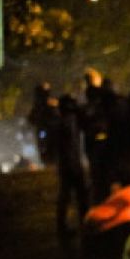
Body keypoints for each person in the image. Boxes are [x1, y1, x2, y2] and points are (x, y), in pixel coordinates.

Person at [54, 93, 90, 238]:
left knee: (68, 196)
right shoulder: (68, 121)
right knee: (78, 196)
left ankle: (65, 227)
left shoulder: (63, 121)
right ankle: (82, 224)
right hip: (72, 164)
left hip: (68, 164)